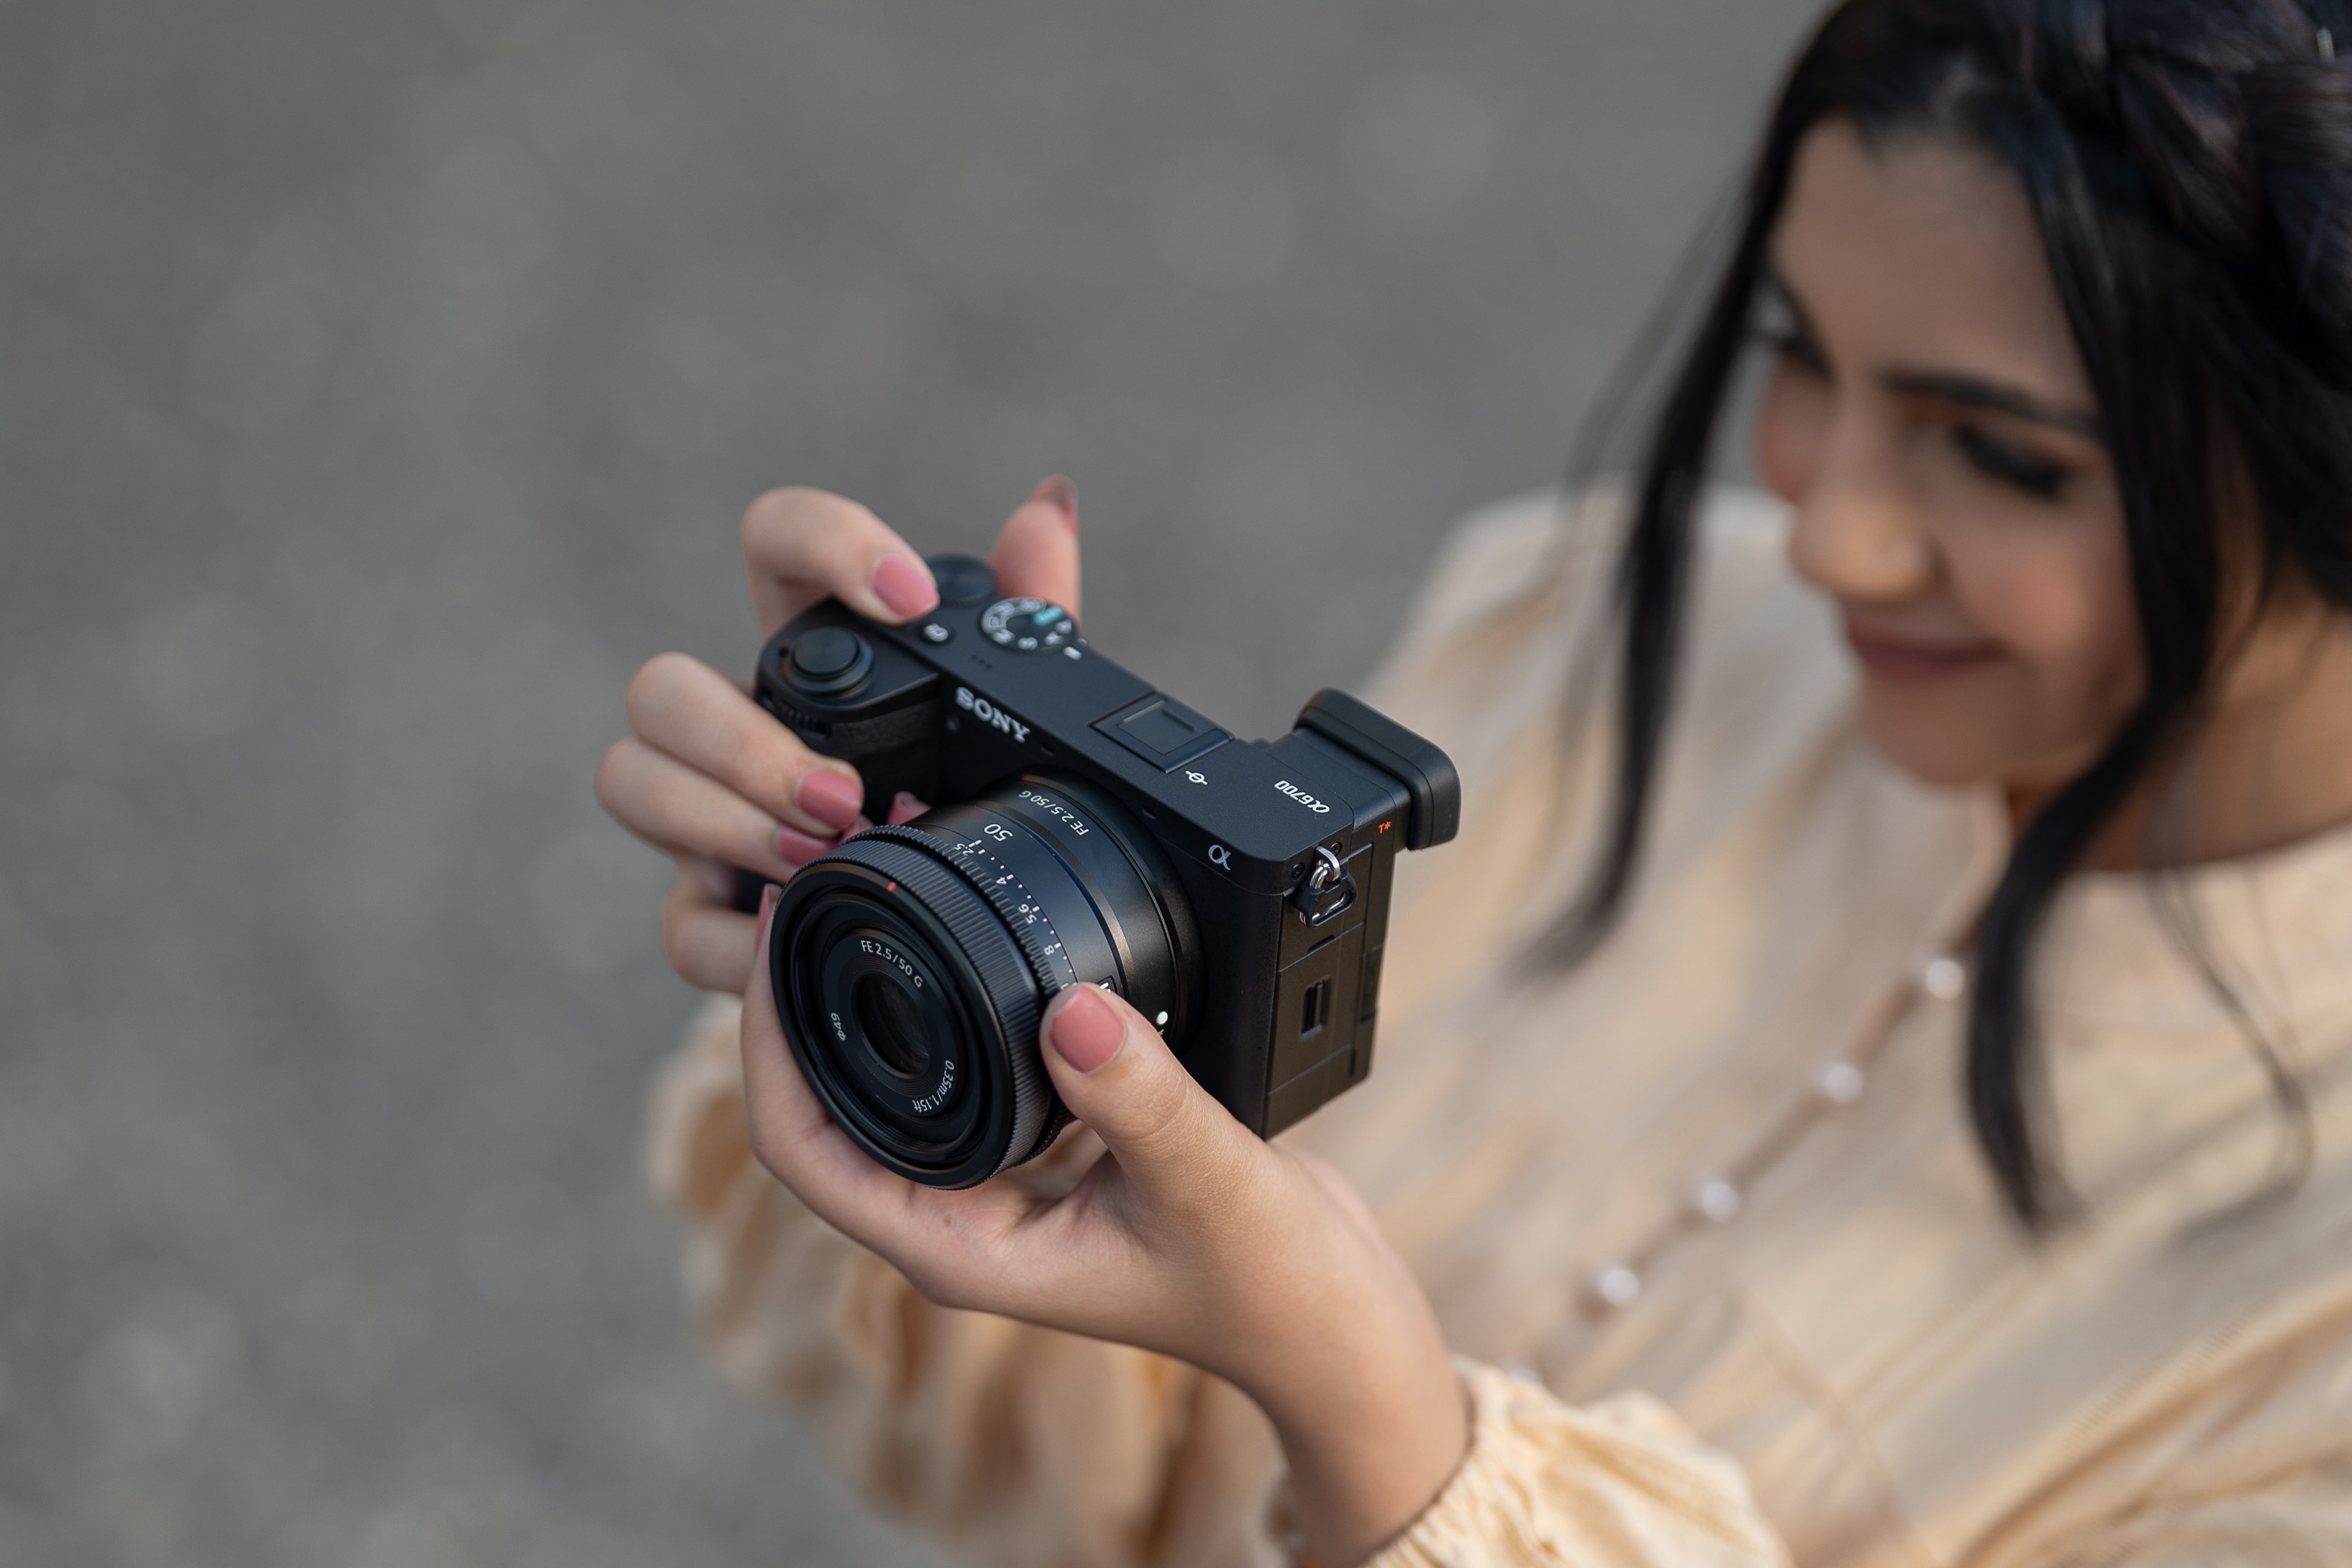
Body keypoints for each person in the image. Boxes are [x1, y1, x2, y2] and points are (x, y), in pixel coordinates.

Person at [594, 0, 2352, 1561]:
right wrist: (906, 935)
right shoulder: (1598, 631)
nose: (1824, 530)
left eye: (1997, 453)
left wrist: (1369, 1418)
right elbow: (993, 1475)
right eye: (1801, 354)